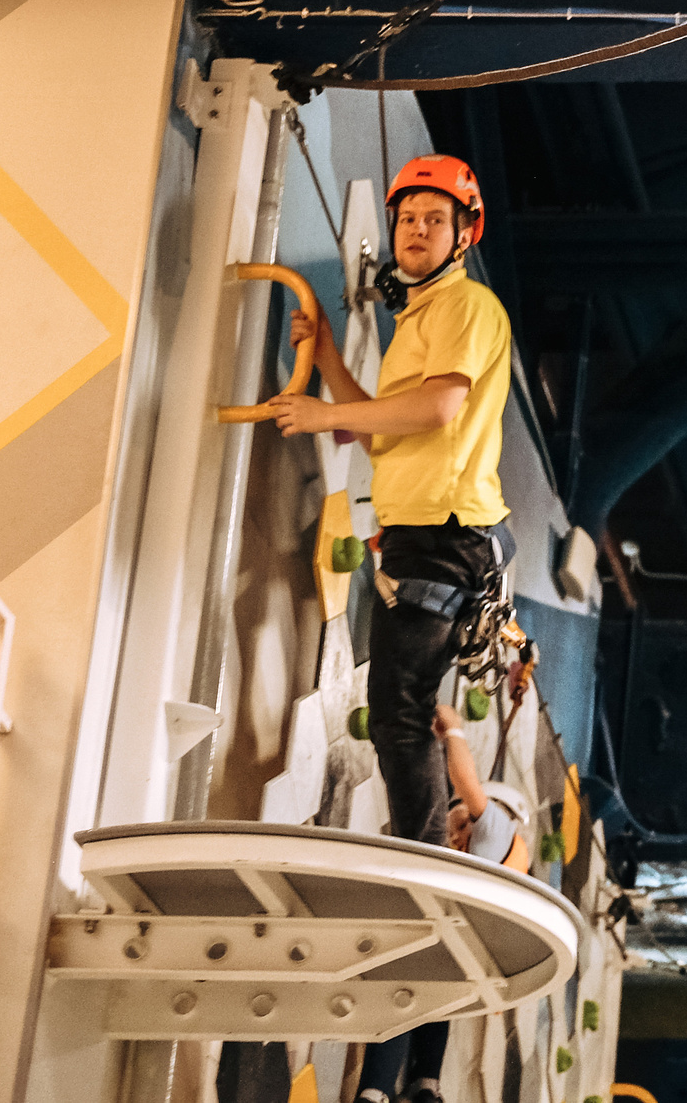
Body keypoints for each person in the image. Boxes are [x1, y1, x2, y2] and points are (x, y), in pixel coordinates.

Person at [268, 156, 516, 848]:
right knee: (401, 710)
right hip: (427, 533)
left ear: (464, 235)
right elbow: (388, 426)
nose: (416, 229)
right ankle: (424, 849)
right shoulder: (422, 316)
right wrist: (329, 367)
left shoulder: (465, 306)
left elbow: (438, 408)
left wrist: (320, 415)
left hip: (445, 532)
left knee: (398, 714)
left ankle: (425, 857)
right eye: (407, 217)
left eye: (436, 219)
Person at [353, 701, 531, 1103]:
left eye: (464, 822)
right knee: (438, 1005)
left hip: (438, 931)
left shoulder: (499, 830)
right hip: (464, 948)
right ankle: (425, 1087)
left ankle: (375, 1091)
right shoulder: (512, 870)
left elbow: (465, 781)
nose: (456, 831)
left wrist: (453, 730)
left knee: (405, 997)